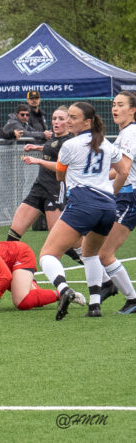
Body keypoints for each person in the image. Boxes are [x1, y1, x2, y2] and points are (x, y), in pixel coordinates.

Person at [39, 102, 130, 320]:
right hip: (108, 205)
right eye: (67, 117)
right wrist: (111, 190)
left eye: (73, 117)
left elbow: (59, 176)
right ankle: (95, 305)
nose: (68, 121)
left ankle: (63, 289)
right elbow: (124, 169)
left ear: (86, 122)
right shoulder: (105, 144)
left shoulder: (69, 145)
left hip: (83, 203)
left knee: (47, 254)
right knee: (90, 254)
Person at [7, 106, 81, 263]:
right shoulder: (55, 139)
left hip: (54, 190)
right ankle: (0, 272)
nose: (56, 122)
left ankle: (94, 268)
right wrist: (37, 147)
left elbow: (62, 166)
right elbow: (52, 148)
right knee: (14, 233)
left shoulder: (69, 142)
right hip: (38, 188)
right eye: (54, 118)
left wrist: (38, 160)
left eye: (61, 119)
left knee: (60, 241)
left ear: (68, 122)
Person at [98, 91, 136, 314]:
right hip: (125, 195)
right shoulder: (123, 134)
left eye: (121, 105)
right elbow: (115, 170)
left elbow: (124, 169)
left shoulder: (130, 133)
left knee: (104, 252)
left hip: (129, 197)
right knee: (96, 248)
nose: (115, 108)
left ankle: (132, 299)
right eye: (113, 104)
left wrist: (109, 192)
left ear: (133, 110)